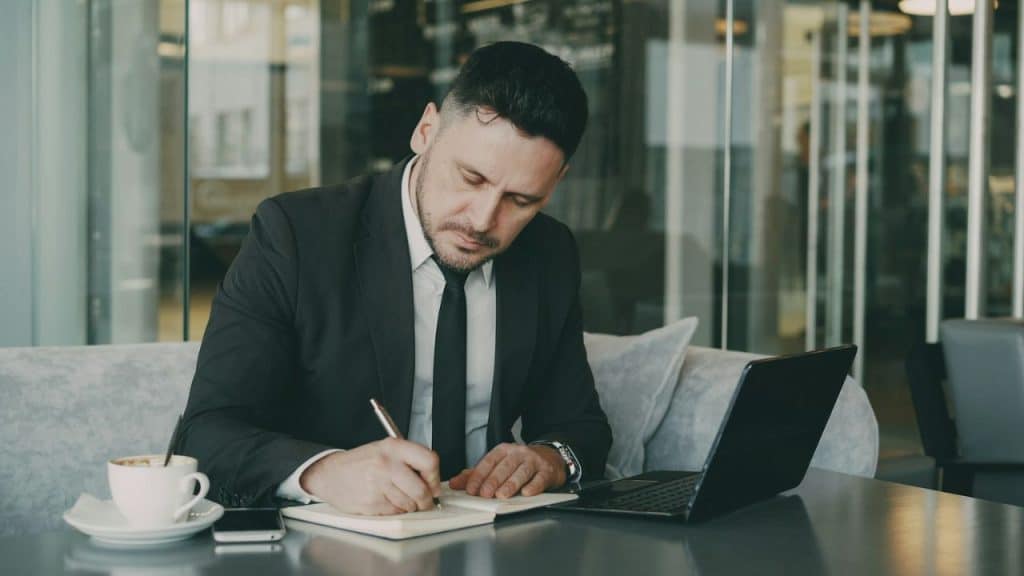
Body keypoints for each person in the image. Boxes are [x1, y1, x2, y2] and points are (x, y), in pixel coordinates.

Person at [179, 41, 612, 516]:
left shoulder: (548, 252)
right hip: (331, 546)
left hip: (492, 543)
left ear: (556, 183)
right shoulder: (297, 236)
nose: (484, 220)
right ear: (426, 131)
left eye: (522, 201)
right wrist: (324, 471)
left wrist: (550, 460)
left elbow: (581, 426)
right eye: (471, 178)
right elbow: (207, 432)